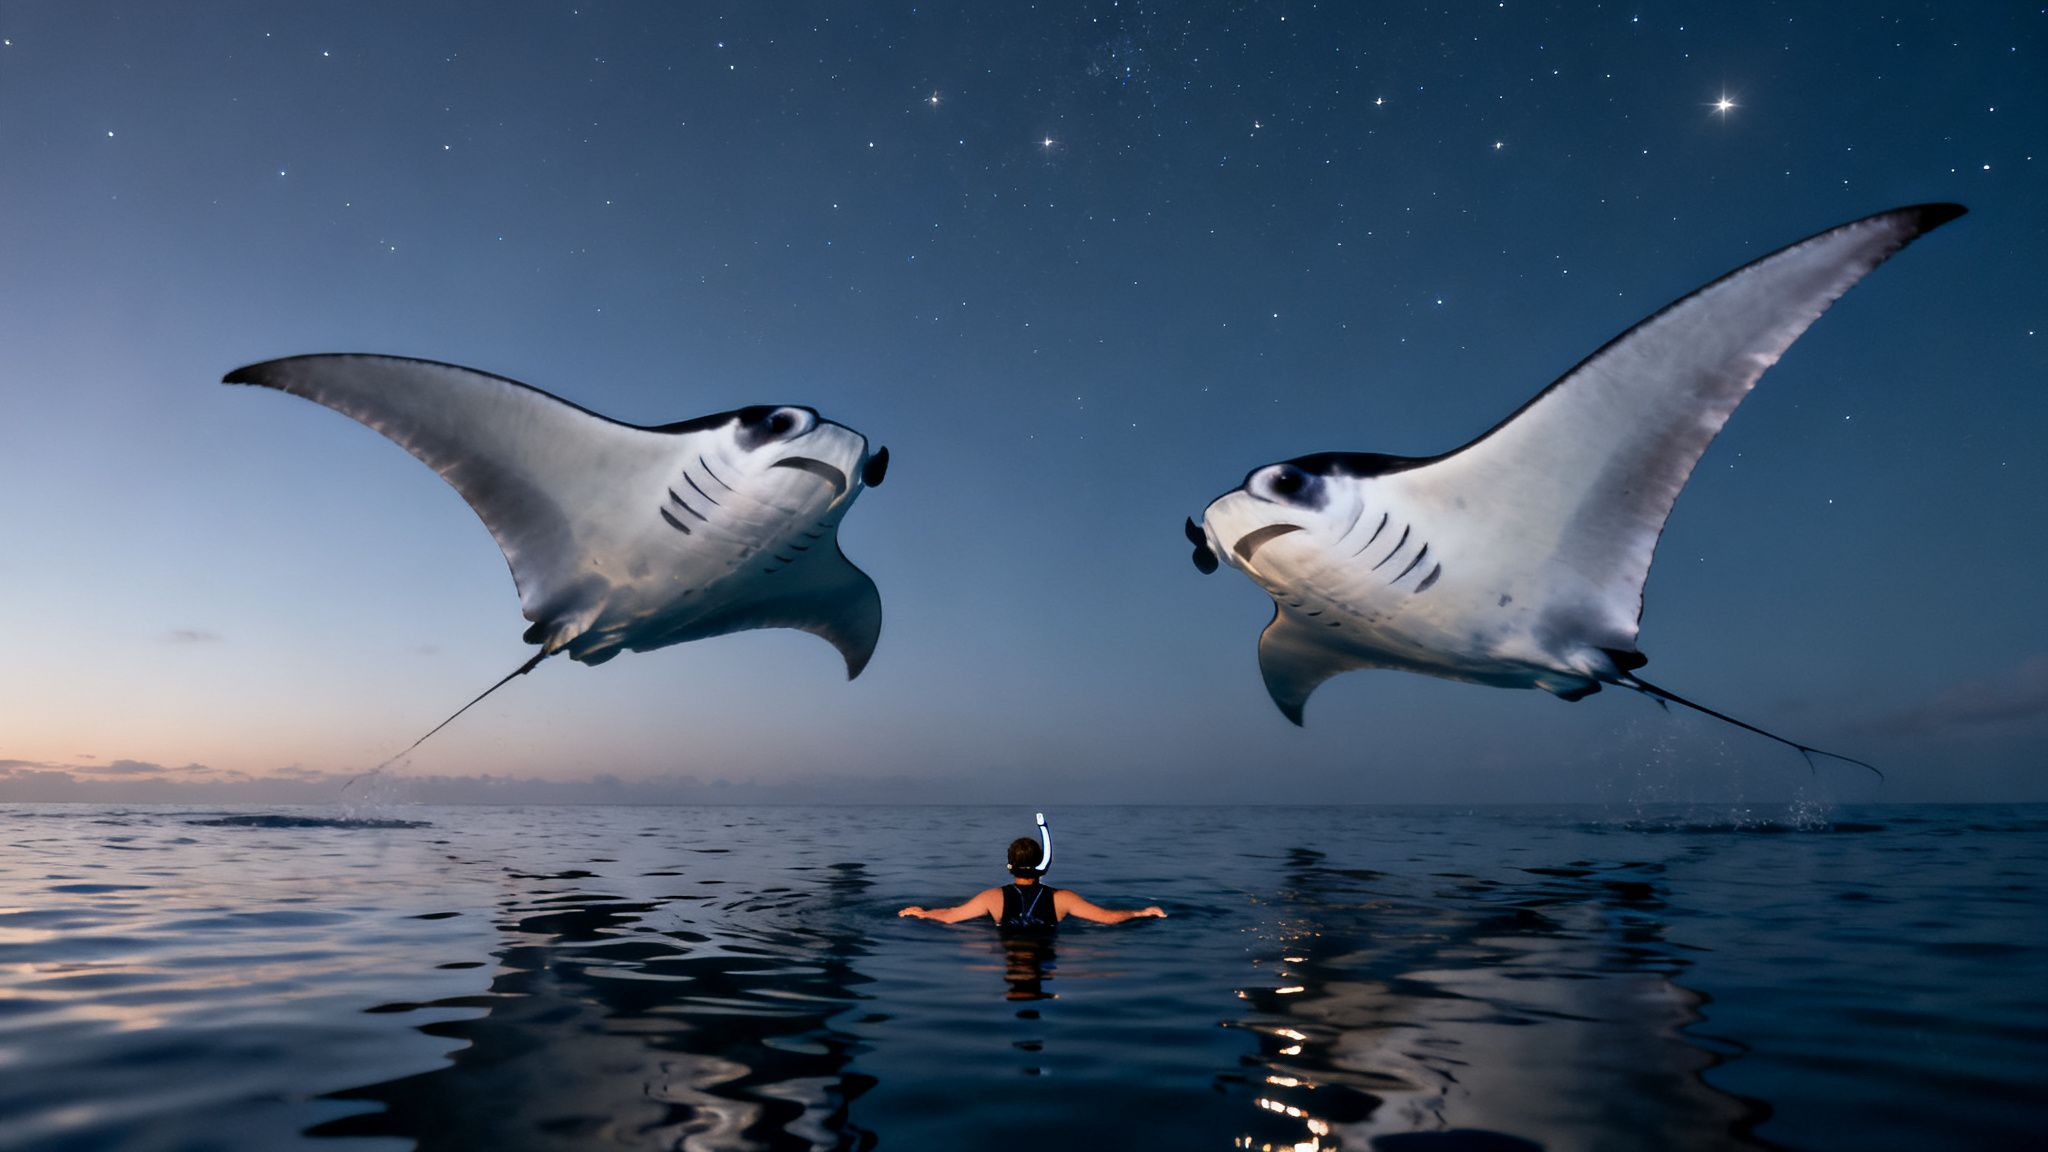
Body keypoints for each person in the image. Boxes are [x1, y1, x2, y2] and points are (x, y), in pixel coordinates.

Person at [898, 836, 1165, 926]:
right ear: (1042, 864)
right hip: (1047, 954)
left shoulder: (992, 897)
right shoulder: (1063, 898)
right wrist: (1141, 912)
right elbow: (1107, 918)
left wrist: (921, 913)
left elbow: (950, 916)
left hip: (1007, 950)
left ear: (1009, 866)